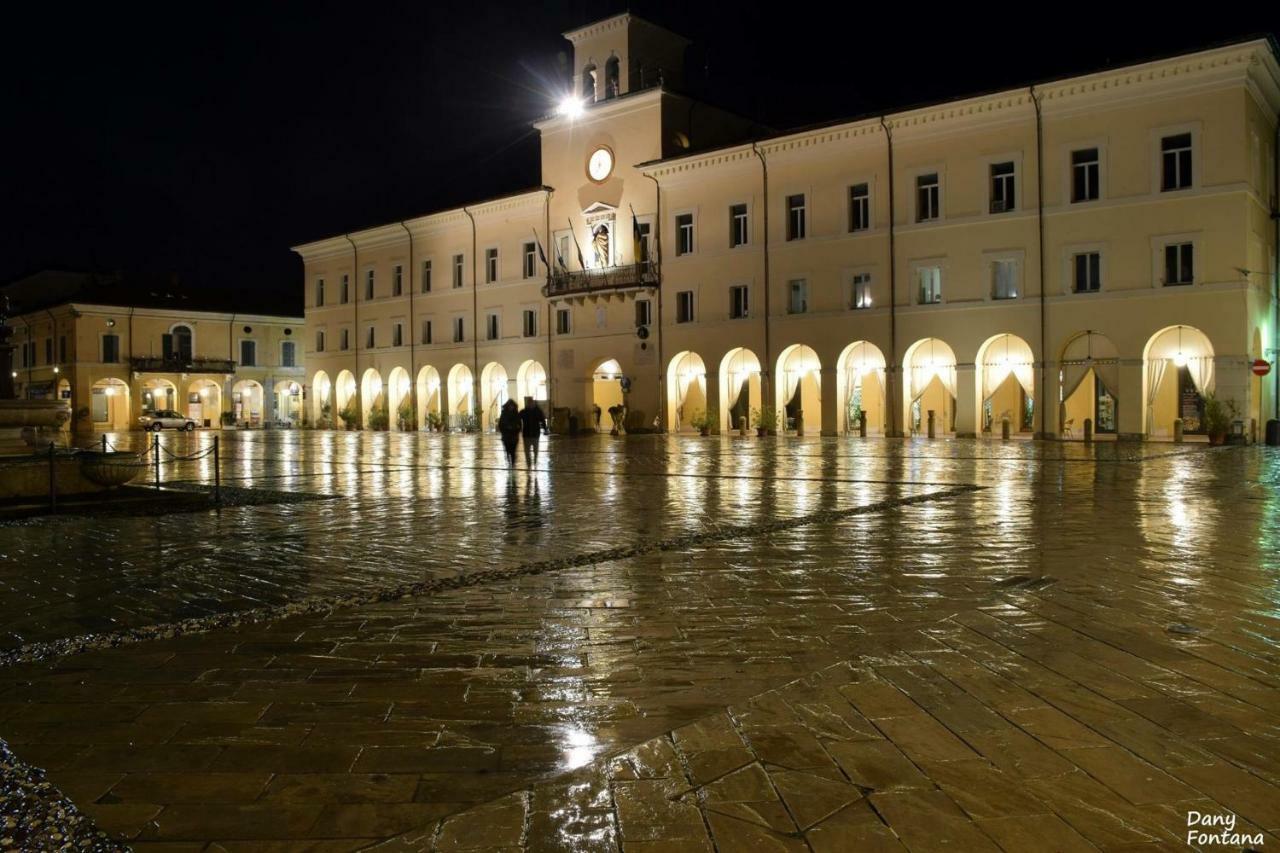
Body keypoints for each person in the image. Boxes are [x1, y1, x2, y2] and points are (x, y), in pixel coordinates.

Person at [520, 397, 548, 468]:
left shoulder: (538, 411)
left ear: (533, 403)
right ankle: (529, 464)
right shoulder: (523, 411)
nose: (530, 404)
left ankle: (535, 461)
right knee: (527, 451)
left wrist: (545, 429)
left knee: (535, 450)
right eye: (529, 403)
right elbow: (517, 418)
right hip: (526, 435)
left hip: (535, 435)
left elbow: (542, 420)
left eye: (531, 403)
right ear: (527, 404)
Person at [497, 399, 521, 468]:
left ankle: (512, 464)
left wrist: (517, 430)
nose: (511, 407)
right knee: (507, 450)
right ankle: (509, 460)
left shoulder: (516, 413)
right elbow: (500, 424)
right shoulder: (504, 413)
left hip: (514, 436)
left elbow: (519, 424)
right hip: (506, 436)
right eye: (510, 406)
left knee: (513, 451)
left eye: (512, 406)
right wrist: (504, 430)